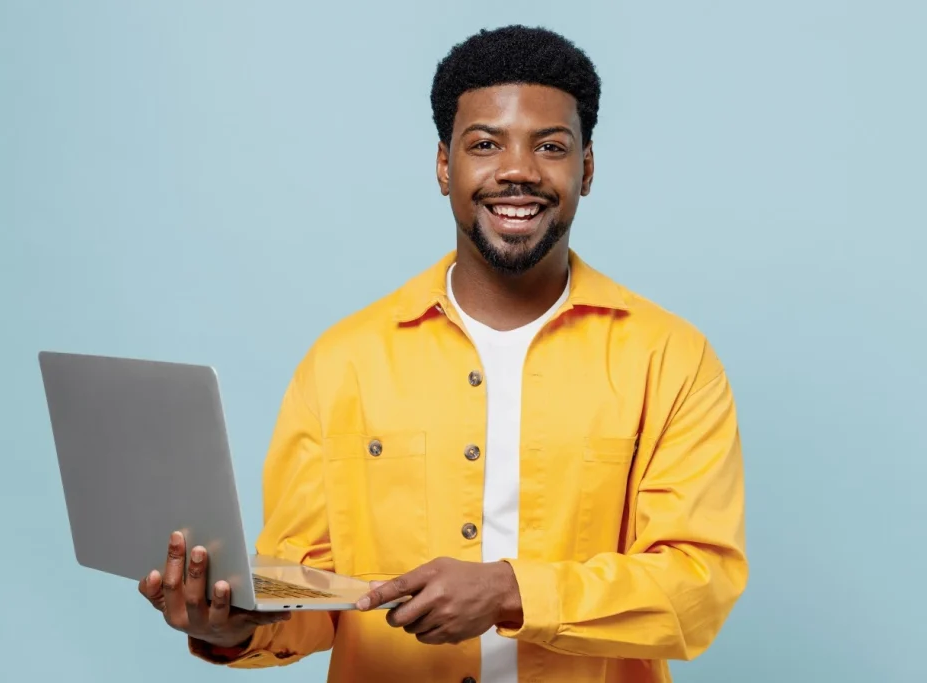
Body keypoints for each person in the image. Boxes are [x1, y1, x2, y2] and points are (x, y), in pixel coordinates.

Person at [137, 24, 748, 683]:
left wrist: (510, 591)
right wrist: (229, 625)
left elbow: (699, 584)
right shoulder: (343, 361)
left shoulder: (672, 359)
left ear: (587, 169)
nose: (517, 170)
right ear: (443, 165)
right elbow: (307, 591)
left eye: (551, 146)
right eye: (485, 144)